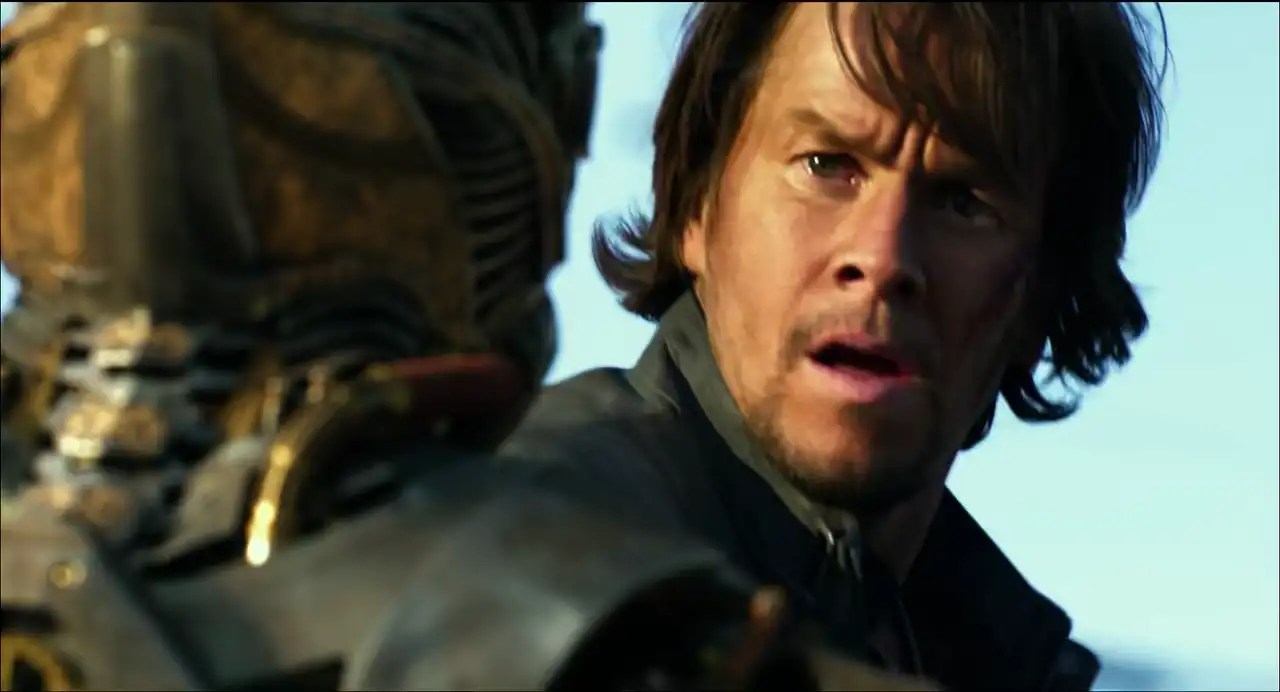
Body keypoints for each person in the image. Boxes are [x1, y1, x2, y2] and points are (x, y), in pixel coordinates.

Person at [502, 2, 1169, 689]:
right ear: (698, 206)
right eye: (826, 165)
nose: (882, 258)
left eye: (963, 202)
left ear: (1040, 296)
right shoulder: (524, 537)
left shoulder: (1003, 654)